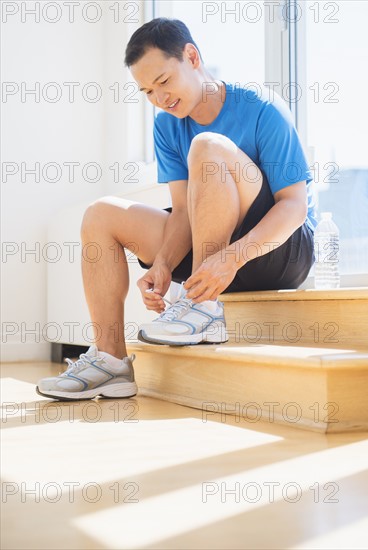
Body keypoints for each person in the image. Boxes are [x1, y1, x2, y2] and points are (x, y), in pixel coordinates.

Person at [36, 17, 316, 400]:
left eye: (164, 82)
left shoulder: (261, 107)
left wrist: (233, 257)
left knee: (207, 146)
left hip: (278, 252)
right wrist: (165, 264)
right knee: (100, 213)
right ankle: (111, 361)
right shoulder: (167, 125)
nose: (159, 99)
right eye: (147, 91)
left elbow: (294, 207)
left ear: (192, 56)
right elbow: (184, 213)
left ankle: (202, 309)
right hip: (209, 255)